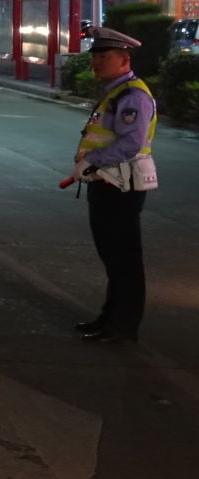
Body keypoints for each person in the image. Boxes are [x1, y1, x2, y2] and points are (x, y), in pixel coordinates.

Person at [67, 27, 158, 343]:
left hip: (122, 186)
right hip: (107, 182)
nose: (97, 63)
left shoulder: (132, 96)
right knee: (112, 257)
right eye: (95, 57)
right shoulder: (115, 92)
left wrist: (92, 160)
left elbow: (131, 143)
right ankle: (109, 318)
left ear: (124, 59)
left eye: (104, 57)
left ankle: (123, 326)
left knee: (124, 259)